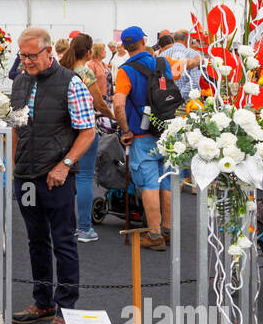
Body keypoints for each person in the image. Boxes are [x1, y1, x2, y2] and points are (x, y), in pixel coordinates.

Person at [8, 27, 96, 324]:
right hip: (27, 177)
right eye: (22, 54)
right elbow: (17, 127)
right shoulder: (19, 81)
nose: (26, 60)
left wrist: (65, 165)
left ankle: (66, 309)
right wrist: (13, 163)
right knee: (36, 240)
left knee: (63, 241)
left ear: (49, 53)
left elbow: (88, 130)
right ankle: (42, 301)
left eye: (32, 55)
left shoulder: (71, 83)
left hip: (56, 177)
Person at [112, 26, 174, 251]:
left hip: (142, 132)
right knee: (165, 181)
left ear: (125, 46)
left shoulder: (125, 70)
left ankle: (154, 234)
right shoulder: (162, 63)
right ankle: (166, 230)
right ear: (144, 41)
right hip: (166, 131)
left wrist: (125, 130)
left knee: (148, 184)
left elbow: (118, 103)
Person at [62, 34, 113, 243]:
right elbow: (98, 103)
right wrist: (114, 116)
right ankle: (84, 228)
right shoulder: (85, 73)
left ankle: (66, 225)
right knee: (84, 178)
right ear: (89, 51)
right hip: (84, 129)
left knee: (66, 177)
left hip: (64, 129)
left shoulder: (62, 71)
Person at [162, 30, 201, 97]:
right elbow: (195, 80)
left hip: (167, 99)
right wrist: (180, 95)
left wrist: (167, 95)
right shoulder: (194, 55)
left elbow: (161, 79)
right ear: (187, 40)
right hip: (188, 100)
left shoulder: (162, 55)